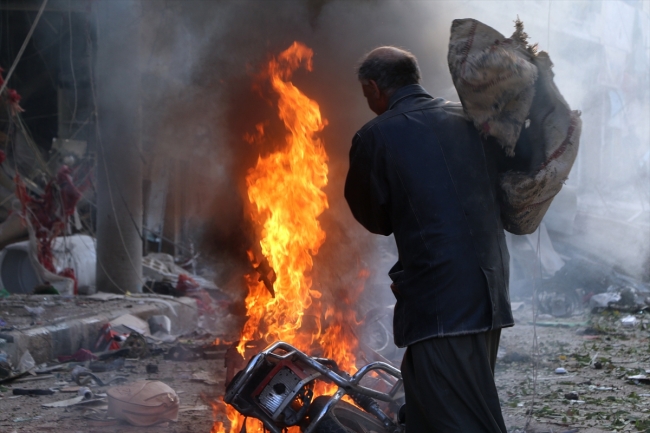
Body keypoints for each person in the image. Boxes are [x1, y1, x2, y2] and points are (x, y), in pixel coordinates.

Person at [345, 46, 513, 432]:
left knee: (457, 416)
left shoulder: (376, 136)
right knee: (436, 404)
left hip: (441, 301)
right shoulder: (469, 120)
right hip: (490, 286)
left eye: (365, 92)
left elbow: (375, 217)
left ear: (373, 87)